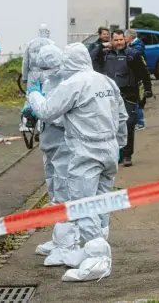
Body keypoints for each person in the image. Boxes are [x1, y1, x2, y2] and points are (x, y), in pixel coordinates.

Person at [27, 42, 128, 247]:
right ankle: (98, 244)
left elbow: (47, 112)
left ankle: (95, 256)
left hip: (86, 152)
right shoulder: (106, 81)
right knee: (101, 201)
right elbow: (122, 117)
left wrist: (34, 95)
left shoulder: (72, 84)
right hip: (109, 150)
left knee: (82, 206)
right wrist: (120, 144)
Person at [31, 44, 72, 257]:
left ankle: (67, 245)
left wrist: (40, 108)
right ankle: (58, 240)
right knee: (55, 193)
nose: (45, 70)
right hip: (49, 144)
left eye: (47, 66)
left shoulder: (67, 85)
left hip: (63, 145)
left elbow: (60, 116)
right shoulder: (48, 82)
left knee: (64, 193)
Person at [102, 30, 153, 167]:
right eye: (116, 40)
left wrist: (148, 90)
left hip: (129, 95)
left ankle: (127, 155)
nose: (118, 43)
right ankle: (116, 154)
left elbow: (144, 73)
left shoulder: (133, 55)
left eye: (120, 40)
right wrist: (102, 45)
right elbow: (92, 57)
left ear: (125, 40)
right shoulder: (105, 55)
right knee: (112, 126)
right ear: (112, 41)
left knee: (128, 123)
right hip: (110, 97)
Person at [125, 29, 147, 131]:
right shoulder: (135, 45)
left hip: (138, 78)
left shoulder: (137, 47)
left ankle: (141, 122)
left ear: (130, 36)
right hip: (134, 77)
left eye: (125, 36)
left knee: (138, 100)